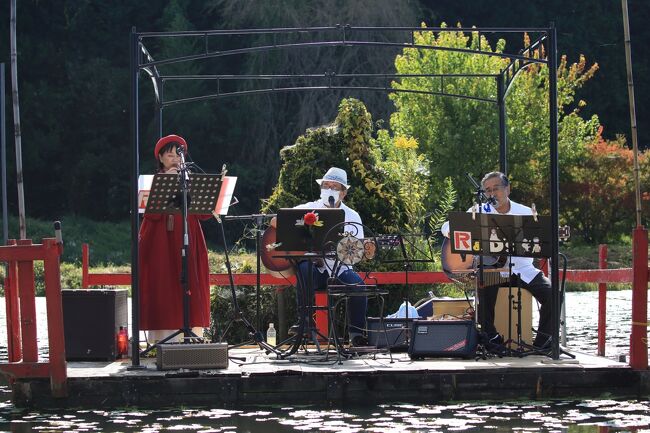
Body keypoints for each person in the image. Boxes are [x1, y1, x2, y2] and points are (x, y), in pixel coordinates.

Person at [442, 171, 553, 350]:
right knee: (484, 292)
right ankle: (492, 340)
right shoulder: (479, 210)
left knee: (552, 294)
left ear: (508, 189)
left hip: (524, 270)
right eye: (488, 190)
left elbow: (537, 243)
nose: (492, 193)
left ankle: (544, 342)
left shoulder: (525, 212)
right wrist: (459, 232)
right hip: (494, 270)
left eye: (496, 188)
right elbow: (446, 226)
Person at [270, 167, 368, 346]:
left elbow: (356, 253)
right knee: (304, 268)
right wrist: (295, 225)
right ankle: (304, 322)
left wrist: (336, 254)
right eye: (326, 186)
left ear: (343, 193)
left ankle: (356, 335)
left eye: (334, 187)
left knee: (359, 286)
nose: (329, 190)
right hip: (314, 270)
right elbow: (276, 221)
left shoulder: (353, 216)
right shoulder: (309, 208)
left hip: (340, 270)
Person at [139, 134, 211, 344]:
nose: (174, 159)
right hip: (160, 239)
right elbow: (149, 214)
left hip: (189, 235)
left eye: (178, 155)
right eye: (169, 155)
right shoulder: (152, 181)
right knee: (165, 283)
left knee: (190, 281)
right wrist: (167, 182)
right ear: (160, 158)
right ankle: (165, 339)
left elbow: (204, 214)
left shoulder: (190, 179)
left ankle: (192, 334)